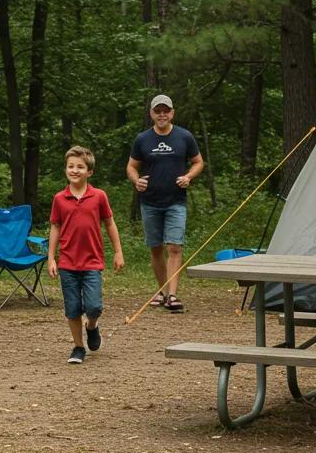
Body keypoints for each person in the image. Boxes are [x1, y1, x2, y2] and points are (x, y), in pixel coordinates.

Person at [126, 94, 204, 313]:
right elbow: (131, 167)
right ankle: (162, 292)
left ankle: (172, 294)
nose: (162, 115)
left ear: (172, 113)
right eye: (157, 111)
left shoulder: (184, 136)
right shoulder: (143, 139)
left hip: (176, 201)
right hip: (149, 201)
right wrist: (137, 180)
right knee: (156, 249)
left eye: (166, 111)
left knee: (174, 246)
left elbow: (198, 162)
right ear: (151, 113)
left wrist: (189, 176)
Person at [48, 146, 124, 364]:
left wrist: (118, 252)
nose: (75, 170)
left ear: (89, 171)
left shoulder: (98, 196)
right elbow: (55, 227)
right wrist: (51, 257)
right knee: (72, 309)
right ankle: (78, 347)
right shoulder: (60, 198)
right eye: (71, 166)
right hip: (67, 263)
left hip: (92, 262)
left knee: (94, 306)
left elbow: (109, 223)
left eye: (80, 167)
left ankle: (92, 326)